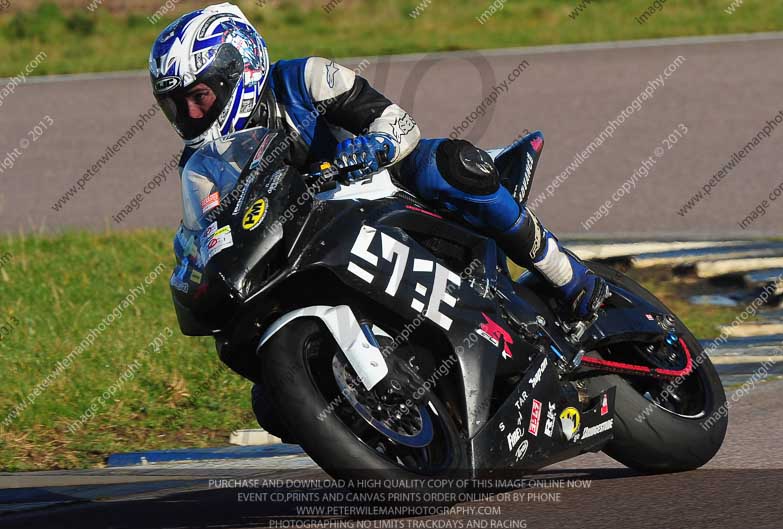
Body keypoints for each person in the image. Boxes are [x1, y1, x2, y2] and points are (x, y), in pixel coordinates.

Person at [150, 3, 609, 436]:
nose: (190, 114)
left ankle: (567, 276)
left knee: (447, 165)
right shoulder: (202, 166)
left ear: (239, 69)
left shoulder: (304, 79)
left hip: (378, 193)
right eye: (176, 105)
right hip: (306, 248)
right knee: (271, 403)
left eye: (199, 96)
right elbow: (212, 231)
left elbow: (398, 122)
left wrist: (376, 145)